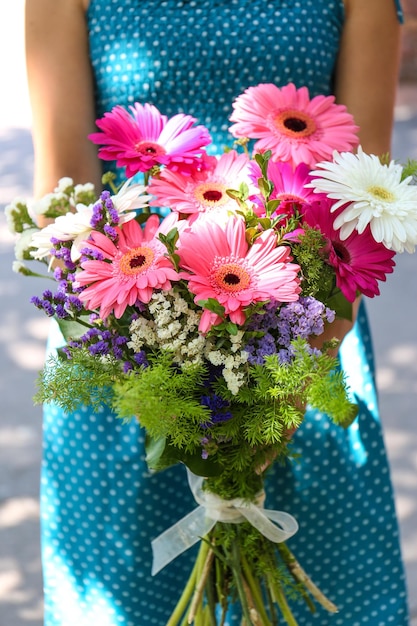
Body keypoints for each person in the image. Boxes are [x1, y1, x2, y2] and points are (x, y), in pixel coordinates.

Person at [24, 0, 410, 624]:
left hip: (303, 340)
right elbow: (63, 188)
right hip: (125, 342)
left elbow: (363, 185)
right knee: (129, 597)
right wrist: (149, 351)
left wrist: (287, 381)